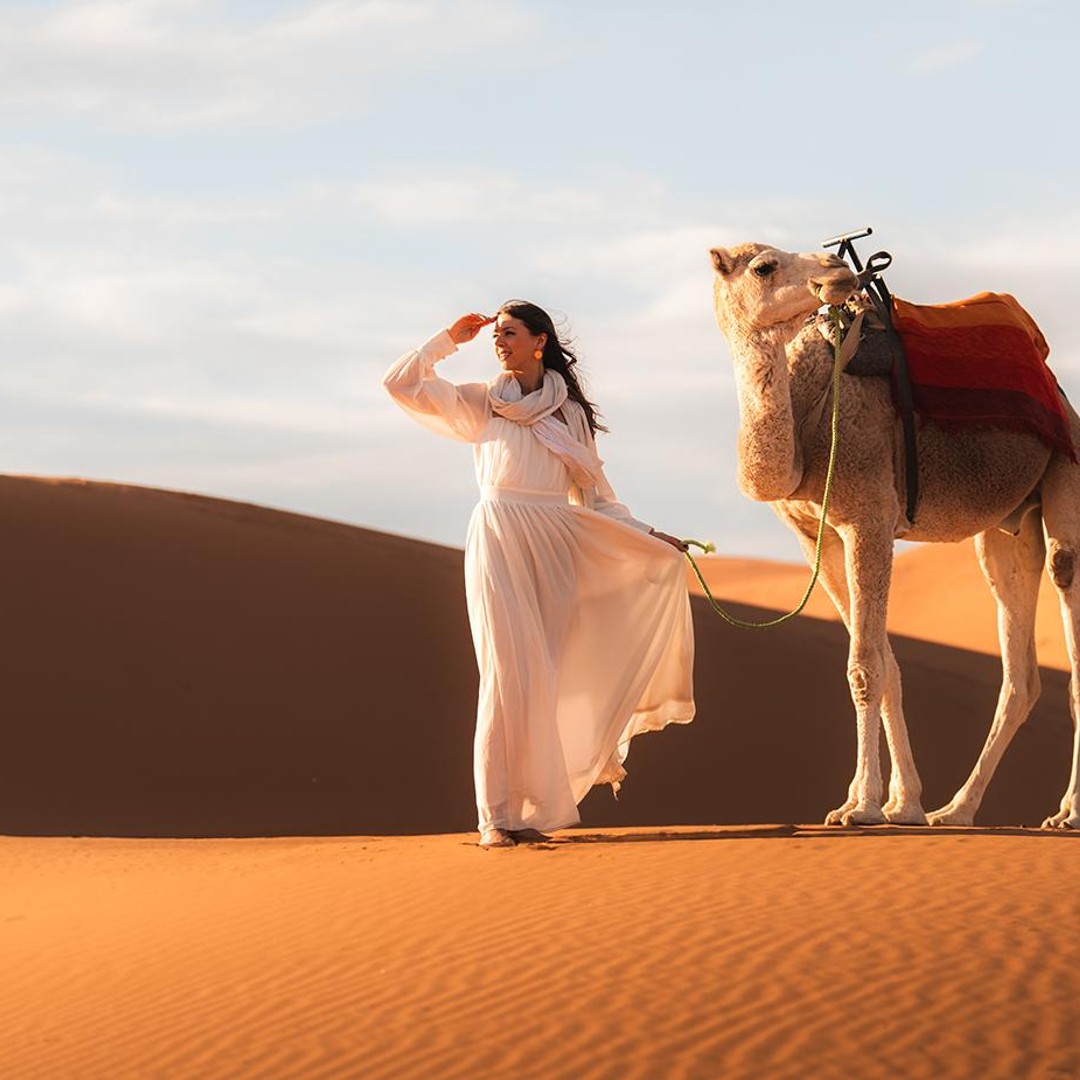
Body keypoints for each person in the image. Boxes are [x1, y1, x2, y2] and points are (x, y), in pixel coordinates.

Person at [383, 301, 695, 847]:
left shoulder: (568, 413)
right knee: (506, 673)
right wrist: (446, 340)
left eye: (509, 333)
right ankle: (494, 817)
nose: (498, 342)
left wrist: (648, 535)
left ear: (539, 341)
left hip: (555, 544)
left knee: (543, 676)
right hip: (499, 536)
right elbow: (400, 384)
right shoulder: (481, 402)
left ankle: (530, 810)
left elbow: (597, 496)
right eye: (496, 334)